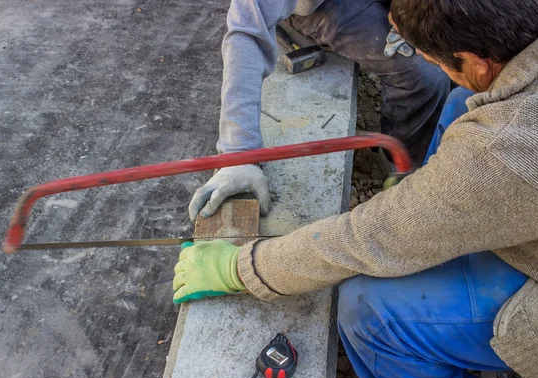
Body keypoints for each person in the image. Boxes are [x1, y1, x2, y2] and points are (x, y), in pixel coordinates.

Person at [173, 0, 538, 378]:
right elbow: (247, 29)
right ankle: (440, 206)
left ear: (478, 62)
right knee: (459, 103)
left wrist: (241, 268)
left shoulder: (504, 148)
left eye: (438, 58)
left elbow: (372, 237)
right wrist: (239, 152)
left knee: (371, 312)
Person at [187, 0, 451, 222]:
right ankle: (406, 170)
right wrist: (239, 154)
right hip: (322, 7)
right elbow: (247, 31)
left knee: (450, 33)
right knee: (424, 74)